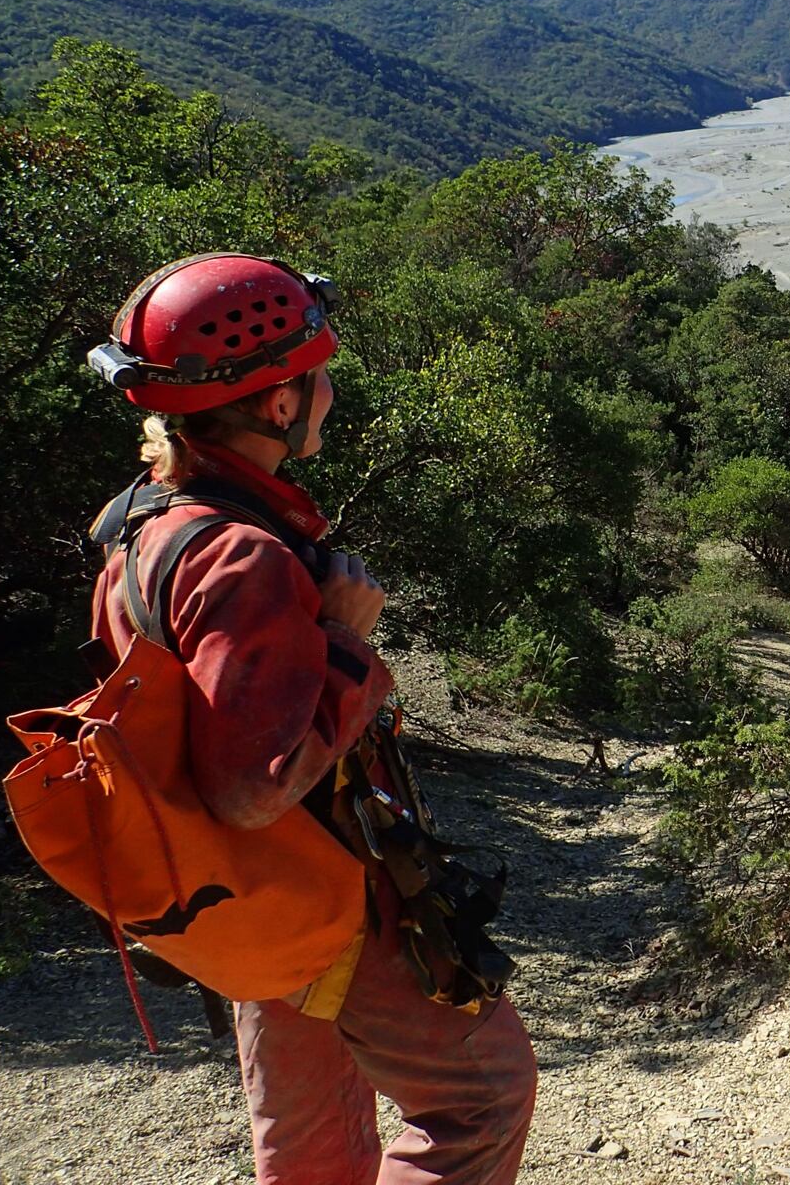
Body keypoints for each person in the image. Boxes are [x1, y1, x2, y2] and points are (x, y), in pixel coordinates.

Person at [85, 253, 537, 1185]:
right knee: (481, 1100)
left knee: (310, 1141)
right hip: (323, 885)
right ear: (279, 403)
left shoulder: (144, 526)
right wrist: (342, 643)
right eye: (317, 375)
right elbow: (254, 787)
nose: (329, 391)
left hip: (245, 898)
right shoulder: (241, 555)